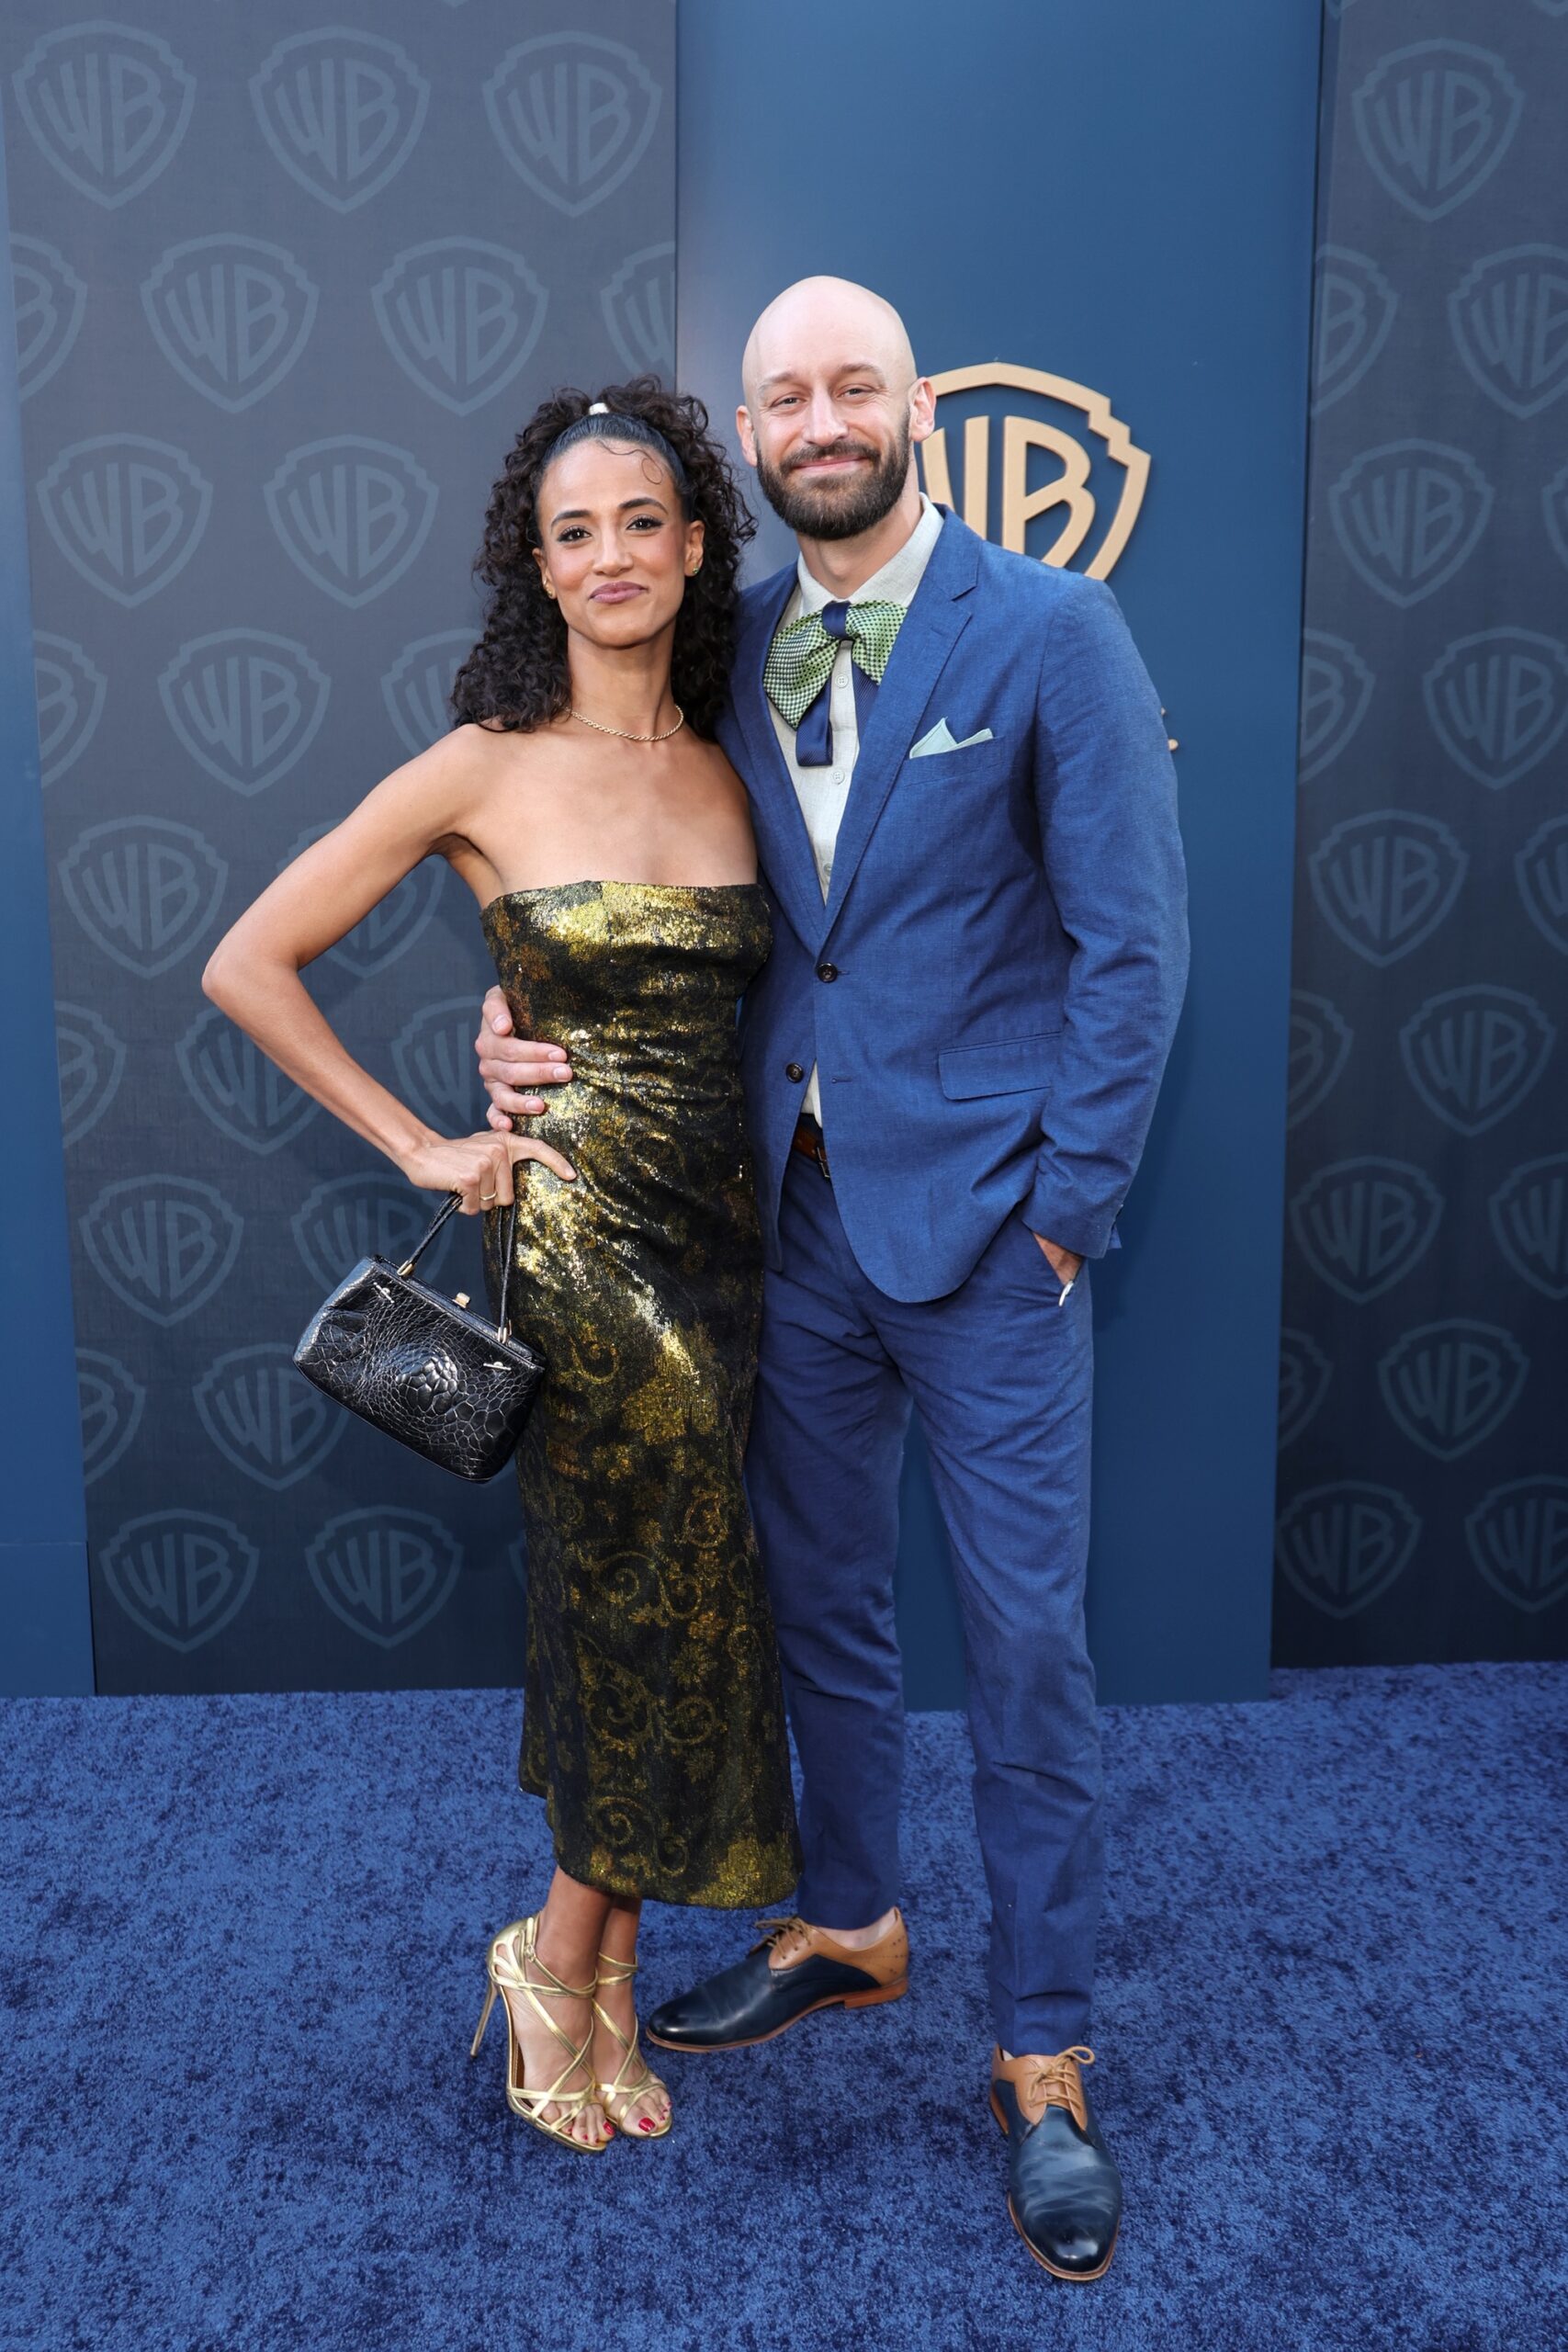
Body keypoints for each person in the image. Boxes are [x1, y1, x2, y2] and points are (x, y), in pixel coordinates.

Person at [476, 280, 1189, 2269]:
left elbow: (1133, 949)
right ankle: (852, 1914)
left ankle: (1040, 2049)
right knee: (820, 1605)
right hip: (778, 1233)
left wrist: (1062, 1210)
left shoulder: (1048, 630)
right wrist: (509, 1018)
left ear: (917, 411)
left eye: (848, 383)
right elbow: (663, 905)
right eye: (780, 391)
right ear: (753, 439)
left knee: (1027, 1645)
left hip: (987, 1237)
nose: (816, 417)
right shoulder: (737, 652)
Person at [202, 380, 801, 2156]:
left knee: (659, 1606)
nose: (609, 556)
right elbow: (251, 959)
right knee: (651, 1599)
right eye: (572, 532)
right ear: (532, 569)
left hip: (734, 1245)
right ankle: (555, 1960)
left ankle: (597, 1969)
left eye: (640, 521)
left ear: (696, 544)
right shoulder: (481, 765)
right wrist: (426, 1139)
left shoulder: (736, 756)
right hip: (586, 1252)